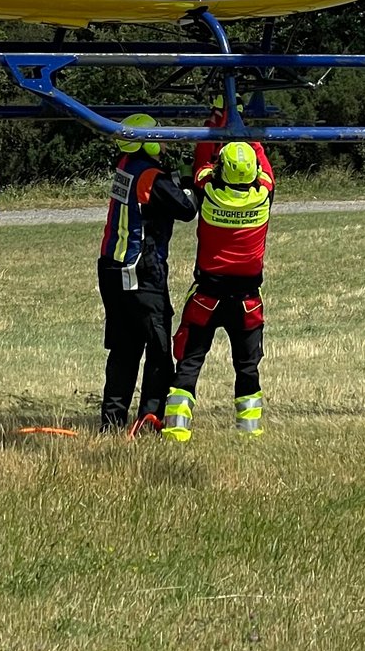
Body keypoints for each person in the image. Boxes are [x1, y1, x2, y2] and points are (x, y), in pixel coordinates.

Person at [162, 139, 274, 442]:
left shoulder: (207, 191)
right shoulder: (264, 195)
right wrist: (245, 129)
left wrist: (217, 125)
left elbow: (200, 162)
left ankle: (175, 430)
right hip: (247, 302)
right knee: (247, 367)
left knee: (189, 362)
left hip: (207, 298)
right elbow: (264, 165)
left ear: (221, 170)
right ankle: (250, 432)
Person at [96, 114, 197, 435]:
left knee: (124, 351)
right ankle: (149, 419)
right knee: (158, 351)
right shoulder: (150, 175)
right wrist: (194, 185)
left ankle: (111, 424)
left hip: (112, 268)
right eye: (158, 135)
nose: (165, 140)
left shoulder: (126, 164)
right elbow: (186, 209)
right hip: (140, 272)